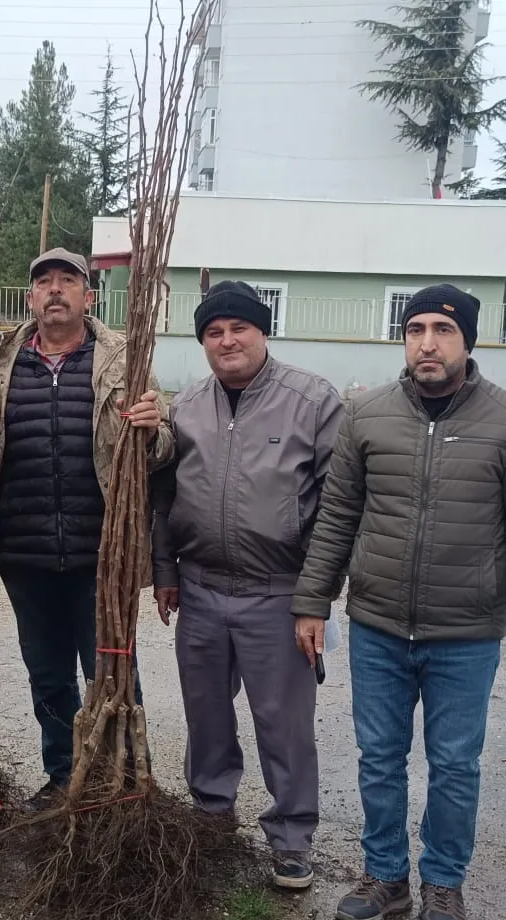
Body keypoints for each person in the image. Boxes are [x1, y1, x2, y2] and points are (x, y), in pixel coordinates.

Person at [294, 285, 505, 920]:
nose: (427, 343)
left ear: (468, 340)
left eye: (443, 329)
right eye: (416, 329)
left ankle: (443, 882)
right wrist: (313, 600)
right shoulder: (368, 414)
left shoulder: (501, 418)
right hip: (378, 626)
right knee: (380, 758)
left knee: (455, 764)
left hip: (465, 634)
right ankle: (386, 877)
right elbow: (337, 515)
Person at [0, 247, 171, 810]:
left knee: (111, 669)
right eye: (43, 281)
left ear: (87, 297)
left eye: (67, 281)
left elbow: (163, 450)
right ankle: (62, 777)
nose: (54, 289)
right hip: (24, 551)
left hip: (102, 551)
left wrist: (152, 430)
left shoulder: (123, 360)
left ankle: (120, 781)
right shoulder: (3, 363)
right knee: (47, 675)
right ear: (30, 298)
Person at [151, 280, 343, 890]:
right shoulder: (186, 406)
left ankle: (291, 837)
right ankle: (212, 815)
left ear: (263, 331)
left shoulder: (312, 402)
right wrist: (165, 572)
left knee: (283, 723)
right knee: (206, 714)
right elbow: (164, 497)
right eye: (214, 332)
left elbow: (338, 508)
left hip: (278, 592)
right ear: (202, 341)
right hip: (202, 588)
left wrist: (314, 598)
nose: (227, 340)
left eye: (239, 328)